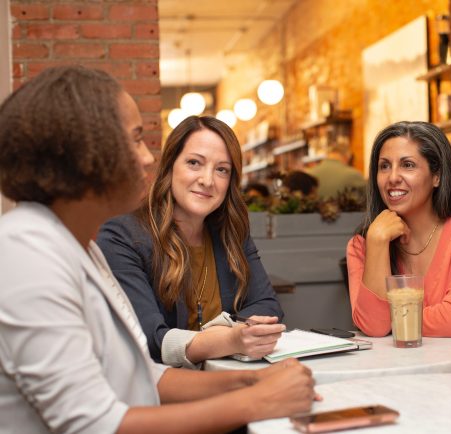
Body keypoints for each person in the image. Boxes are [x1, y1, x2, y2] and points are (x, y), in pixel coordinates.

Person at [0, 65, 315, 433]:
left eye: (222, 170)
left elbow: (145, 374)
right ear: (83, 153)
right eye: (134, 140)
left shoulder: (80, 247)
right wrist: (256, 401)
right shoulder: (24, 253)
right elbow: (90, 424)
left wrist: (248, 382)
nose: (149, 158)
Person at [97, 116, 284, 369]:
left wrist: (226, 337)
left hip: (228, 383)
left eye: (221, 170)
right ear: (170, 166)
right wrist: (230, 339)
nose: (207, 180)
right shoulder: (122, 237)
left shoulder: (231, 232)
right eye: (194, 163)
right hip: (161, 394)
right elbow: (148, 338)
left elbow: (268, 307)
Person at [346, 121, 451, 373]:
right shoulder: (363, 245)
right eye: (384, 166)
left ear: (437, 176)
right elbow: (375, 327)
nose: (393, 177)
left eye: (408, 165)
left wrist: (392, 320)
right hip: (405, 384)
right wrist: (377, 243)